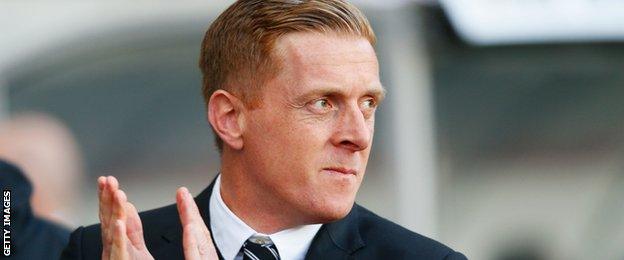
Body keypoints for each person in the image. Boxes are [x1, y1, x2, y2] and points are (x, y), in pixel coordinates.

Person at [61, 0, 467, 259]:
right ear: (230, 119)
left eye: (368, 104)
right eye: (323, 103)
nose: (358, 136)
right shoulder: (99, 250)